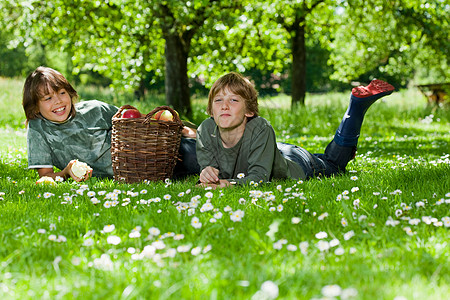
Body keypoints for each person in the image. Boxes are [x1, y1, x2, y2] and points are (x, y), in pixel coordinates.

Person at [196, 72, 395, 188]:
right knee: (327, 157)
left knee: (334, 165)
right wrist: (207, 174)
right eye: (218, 100)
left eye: (233, 100)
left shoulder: (261, 127)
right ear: (211, 110)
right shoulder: (206, 130)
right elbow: (209, 169)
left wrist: (227, 185)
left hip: (300, 163)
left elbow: (258, 178)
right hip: (277, 151)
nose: (224, 106)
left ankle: (356, 106)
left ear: (249, 111)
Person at [22, 66, 199, 182]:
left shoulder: (95, 109)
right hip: (140, 173)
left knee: (199, 154)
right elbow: (45, 176)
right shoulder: (38, 129)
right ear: (35, 106)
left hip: (155, 153)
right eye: (48, 98)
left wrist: (183, 130)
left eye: (61, 93)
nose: (58, 102)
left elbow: (141, 121)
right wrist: (67, 172)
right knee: (200, 162)